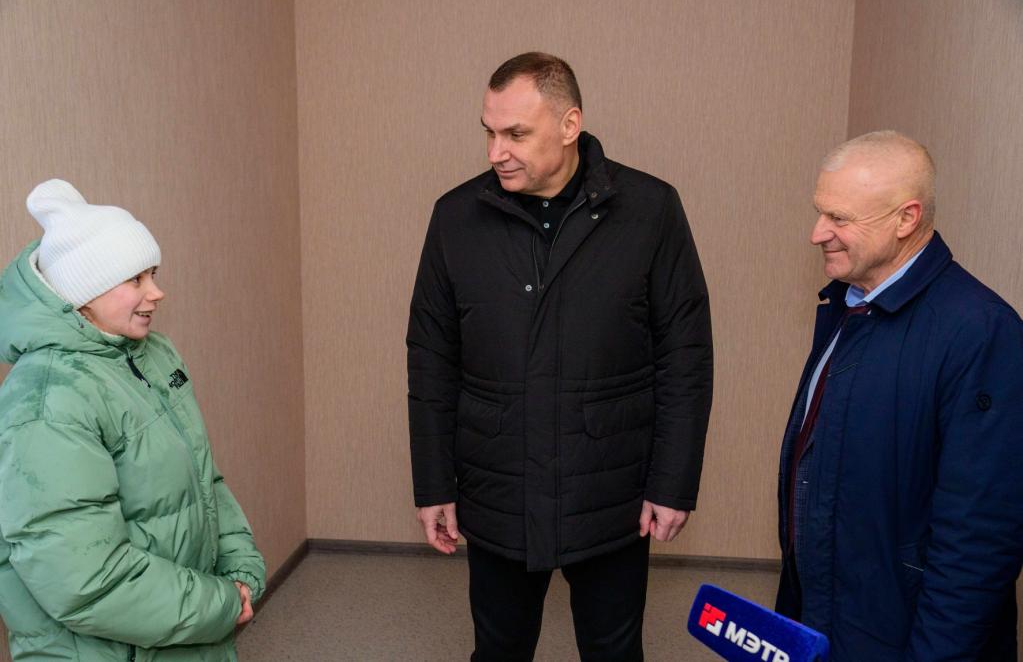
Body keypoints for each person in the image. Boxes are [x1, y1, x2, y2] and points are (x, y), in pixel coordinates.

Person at [407, 52, 713, 660]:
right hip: (498, 488)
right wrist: (434, 482)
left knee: (613, 651)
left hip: (611, 493)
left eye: (516, 134)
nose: (496, 152)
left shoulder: (650, 210)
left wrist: (673, 482)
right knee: (498, 650)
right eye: (489, 132)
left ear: (570, 124)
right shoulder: (455, 218)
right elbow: (430, 359)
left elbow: (685, 356)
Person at [776, 131, 1023, 659]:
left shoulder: (981, 332)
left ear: (906, 219)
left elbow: (979, 540)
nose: (817, 233)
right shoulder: (849, 306)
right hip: (832, 621)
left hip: (904, 638)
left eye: (840, 218)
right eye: (820, 212)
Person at [0, 179, 266, 661]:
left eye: (153, 274)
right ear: (85, 290)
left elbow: (202, 478)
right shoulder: (48, 399)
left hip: (183, 630)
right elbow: (86, 581)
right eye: (136, 279)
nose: (157, 292)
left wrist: (239, 569)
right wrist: (220, 604)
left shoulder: (152, 356)